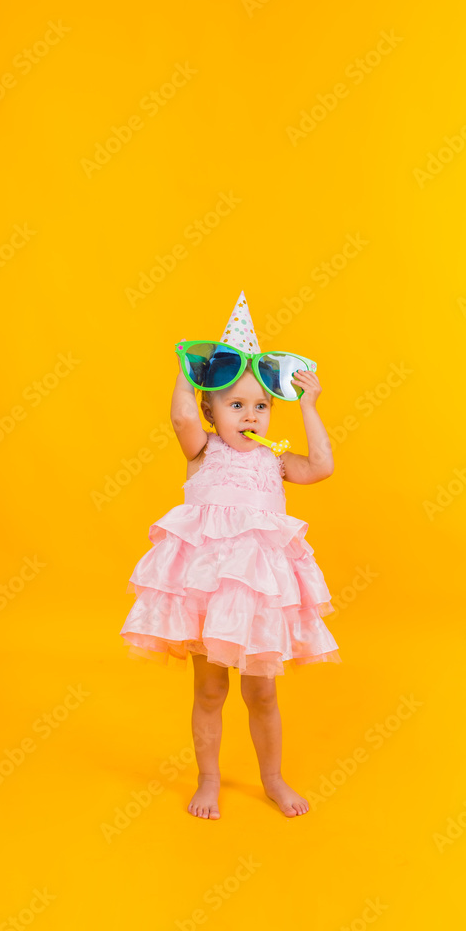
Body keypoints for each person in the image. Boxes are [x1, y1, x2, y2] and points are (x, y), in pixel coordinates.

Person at [120, 298, 341, 820]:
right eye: (235, 405)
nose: (249, 415)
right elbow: (179, 413)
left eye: (260, 406)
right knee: (210, 690)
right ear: (210, 412)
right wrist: (188, 369)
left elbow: (323, 466)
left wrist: (309, 406)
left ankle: (273, 779)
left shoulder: (276, 461)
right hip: (209, 592)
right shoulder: (202, 451)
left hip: (259, 597)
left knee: (261, 694)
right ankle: (209, 780)